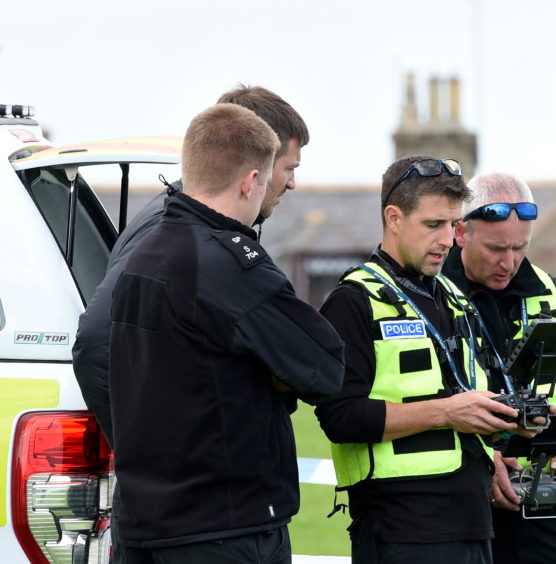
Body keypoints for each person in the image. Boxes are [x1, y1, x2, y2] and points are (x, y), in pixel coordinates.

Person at [108, 103, 344, 562]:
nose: (287, 184)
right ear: (250, 180)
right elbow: (325, 367)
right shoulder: (231, 265)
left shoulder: (143, 252)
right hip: (223, 528)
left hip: (144, 523)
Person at [315, 155, 525, 564]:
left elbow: (466, 393)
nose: (448, 239)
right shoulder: (353, 301)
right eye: (433, 225)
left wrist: (513, 426)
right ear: (393, 218)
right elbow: (339, 417)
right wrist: (447, 413)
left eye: (452, 224)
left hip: (475, 522)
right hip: (401, 530)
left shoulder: (452, 296)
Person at [73, 84, 308, 445]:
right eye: (288, 167)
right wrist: (151, 453)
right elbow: (95, 343)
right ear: (255, 161)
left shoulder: (201, 226)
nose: (292, 183)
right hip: (183, 494)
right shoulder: (171, 232)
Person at [442, 172, 556, 564]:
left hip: (542, 511)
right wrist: (481, 462)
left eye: (520, 247)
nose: (508, 262)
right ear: (461, 233)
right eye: (495, 248)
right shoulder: (427, 299)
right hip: (454, 512)